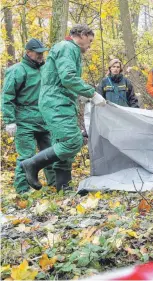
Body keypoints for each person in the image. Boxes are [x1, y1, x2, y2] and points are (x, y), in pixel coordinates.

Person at [20, 24, 106, 192]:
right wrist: (91, 93)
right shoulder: (68, 47)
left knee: (62, 144)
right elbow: (68, 77)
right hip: (56, 102)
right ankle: (31, 165)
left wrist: (78, 94)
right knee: (72, 141)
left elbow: (62, 78)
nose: (89, 46)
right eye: (89, 41)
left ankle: (63, 188)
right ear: (81, 35)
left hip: (60, 101)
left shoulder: (66, 48)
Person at [2, 39, 56, 194]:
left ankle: (54, 185)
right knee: (26, 156)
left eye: (42, 52)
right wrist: (9, 120)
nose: (41, 55)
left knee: (50, 153)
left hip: (44, 119)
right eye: (38, 53)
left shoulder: (45, 69)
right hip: (24, 120)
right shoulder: (17, 70)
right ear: (28, 52)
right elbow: (7, 96)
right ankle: (23, 190)